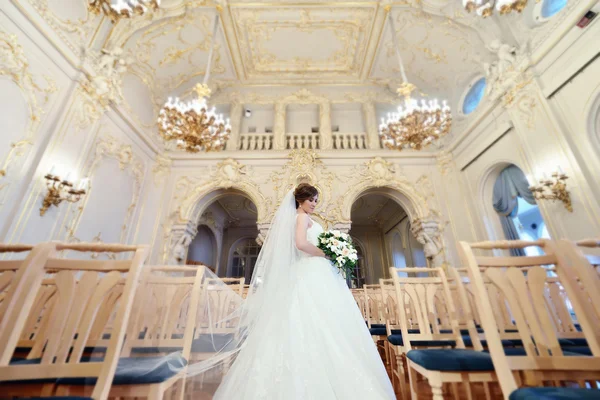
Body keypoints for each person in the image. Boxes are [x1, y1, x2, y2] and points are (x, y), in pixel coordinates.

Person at [210, 183, 395, 399]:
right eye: (311, 200)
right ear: (300, 200)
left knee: (324, 319)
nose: (314, 204)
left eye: (316, 200)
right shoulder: (300, 217)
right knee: (310, 317)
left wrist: (330, 250)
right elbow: (299, 244)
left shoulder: (305, 218)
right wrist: (326, 254)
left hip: (316, 272)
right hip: (309, 270)